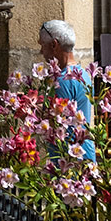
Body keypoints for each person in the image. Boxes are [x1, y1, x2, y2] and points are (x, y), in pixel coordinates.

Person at [39, 19, 95, 160]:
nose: (41, 51)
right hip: (83, 152)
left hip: (70, 157)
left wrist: (27, 111)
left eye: (42, 45)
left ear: (54, 45)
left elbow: (58, 123)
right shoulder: (82, 74)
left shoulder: (63, 80)